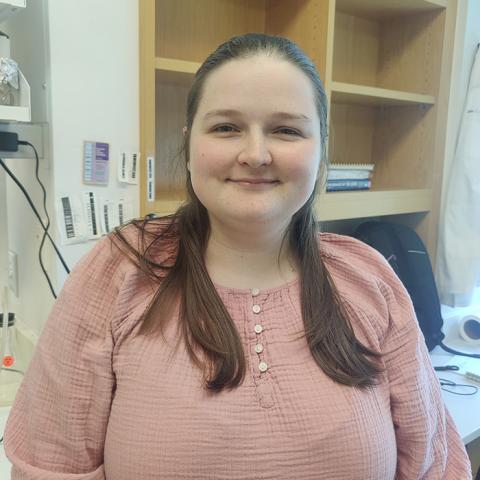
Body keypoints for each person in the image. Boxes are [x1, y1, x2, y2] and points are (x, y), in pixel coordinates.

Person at [3, 33, 472, 479]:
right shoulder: (120, 270)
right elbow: (50, 465)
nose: (256, 153)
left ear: (321, 152)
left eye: (286, 130)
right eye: (226, 127)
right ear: (189, 145)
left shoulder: (368, 278)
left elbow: (432, 465)